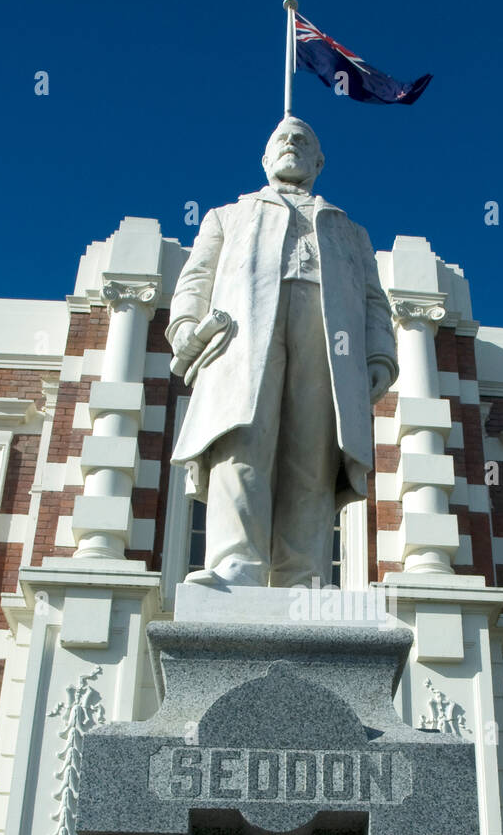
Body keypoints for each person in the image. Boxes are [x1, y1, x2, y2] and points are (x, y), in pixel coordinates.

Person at [167, 116, 398, 587]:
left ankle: (303, 576)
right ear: (265, 158)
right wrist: (185, 327)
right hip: (243, 332)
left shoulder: (350, 231)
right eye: (281, 139)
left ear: (319, 161)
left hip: (330, 335)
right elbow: (195, 280)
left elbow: (374, 299)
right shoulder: (226, 216)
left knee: (310, 451)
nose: (291, 142)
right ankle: (236, 565)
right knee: (242, 438)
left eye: (303, 140)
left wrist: (379, 356)